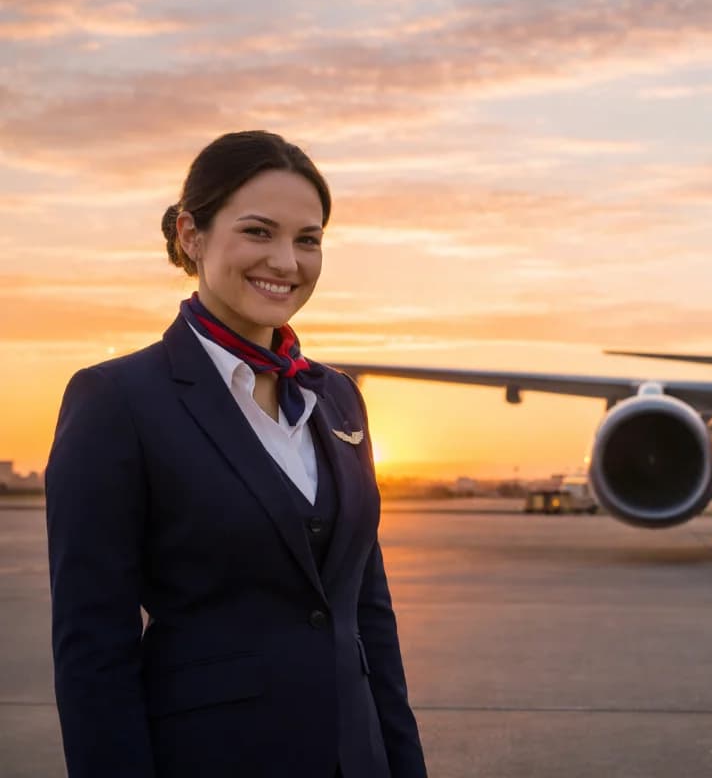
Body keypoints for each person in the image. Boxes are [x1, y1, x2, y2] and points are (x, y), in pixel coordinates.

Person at [45, 131, 427, 778]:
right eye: (258, 232)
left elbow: (369, 620)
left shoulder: (336, 399)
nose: (286, 261)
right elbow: (93, 655)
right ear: (192, 235)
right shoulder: (118, 400)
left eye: (308, 239)